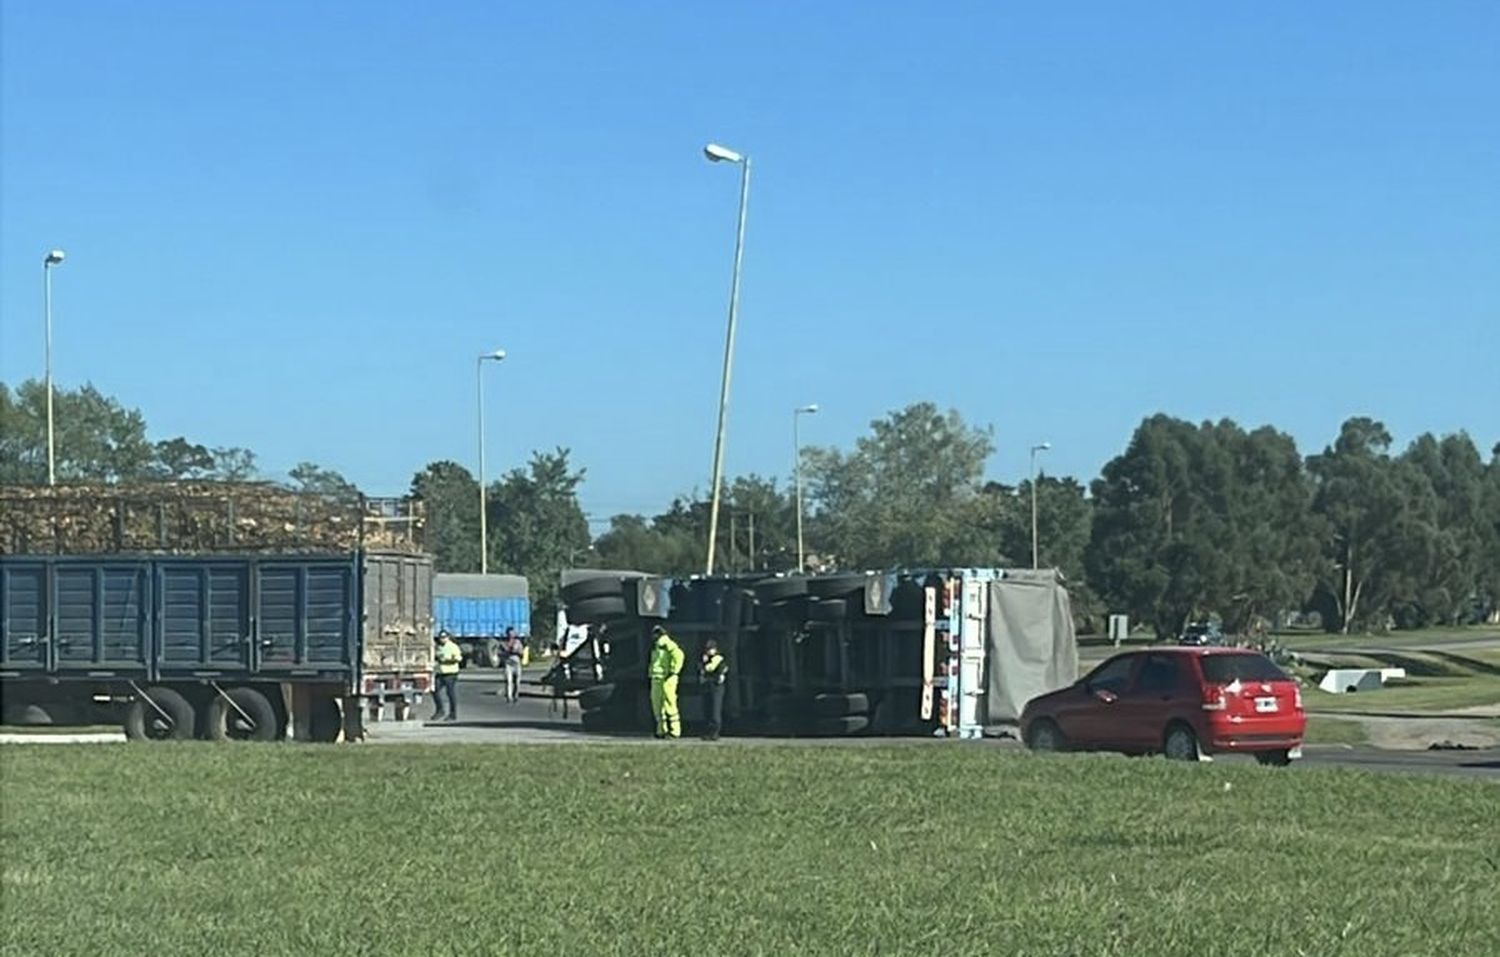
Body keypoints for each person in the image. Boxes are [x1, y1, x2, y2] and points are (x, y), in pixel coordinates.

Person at [647, 625, 684, 739]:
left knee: (669, 703)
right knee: (657, 704)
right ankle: (661, 730)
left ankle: (675, 731)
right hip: (657, 677)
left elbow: (679, 655)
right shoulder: (657, 646)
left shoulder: (668, 645)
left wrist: (673, 671)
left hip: (667, 678)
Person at [700, 639, 728, 741]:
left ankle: (715, 732)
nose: (708, 651)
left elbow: (710, 669)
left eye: (710, 649)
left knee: (715, 710)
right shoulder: (706, 659)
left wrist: (705, 663)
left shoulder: (718, 659)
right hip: (707, 686)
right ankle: (708, 732)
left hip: (716, 686)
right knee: (707, 709)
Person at [432, 630, 463, 722]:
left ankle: (453, 714)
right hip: (441, 673)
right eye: (441, 637)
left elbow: (458, 658)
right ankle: (440, 710)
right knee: (434, 690)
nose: (442, 639)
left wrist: (448, 660)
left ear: (448, 637)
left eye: (444, 637)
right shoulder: (439, 647)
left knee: (450, 693)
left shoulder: (453, 647)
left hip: (451, 673)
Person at [500, 626, 525, 705]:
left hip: (517, 663)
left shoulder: (518, 643)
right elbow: (500, 653)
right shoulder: (504, 643)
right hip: (508, 663)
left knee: (517, 681)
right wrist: (505, 652)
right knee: (509, 681)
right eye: (510, 633)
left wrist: (516, 651)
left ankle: (516, 695)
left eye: (513, 633)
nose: (511, 635)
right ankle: (509, 696)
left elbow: (522, 653)